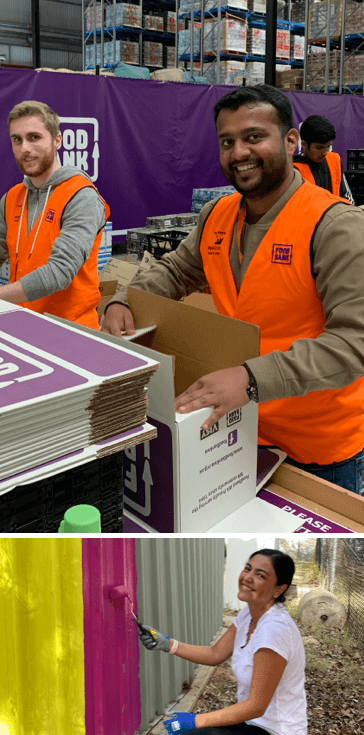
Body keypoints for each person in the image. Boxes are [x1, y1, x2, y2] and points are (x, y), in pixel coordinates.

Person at [102, 84, 364, 493]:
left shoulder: (334, 226)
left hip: (316, 449)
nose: (239, 152)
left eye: (254, 137)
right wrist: (123, 299)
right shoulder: (217, 215)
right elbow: (175, 271)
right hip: (238, 425)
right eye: (228, 142)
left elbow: (354, 342)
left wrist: (250, 378)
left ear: (291, 141)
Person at [138, 548, 307, 735]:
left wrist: (196, 720)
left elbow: (256, 706)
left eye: (260, 575)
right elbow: (215, 653)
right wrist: (168, 644)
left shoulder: (275, 630)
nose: (247, 578)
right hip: (254, 724)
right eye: (247, 569)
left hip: (277, 731)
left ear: (278, 589)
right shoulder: (249, 613)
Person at [0, 100, 110, 328]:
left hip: (71, 331)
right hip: (22, 323)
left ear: (57, 140)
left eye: (34, 137)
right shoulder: (12, 197)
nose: (25, 149)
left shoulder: (81, 196)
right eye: (17, 140)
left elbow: (60, 272)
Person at [293, 115, 355, 203]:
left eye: (328, 146)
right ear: (304, 144)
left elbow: (346, 196)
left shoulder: (335, 159)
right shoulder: (293, 169)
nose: (325, 153)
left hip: (338, 214)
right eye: (319, 148)